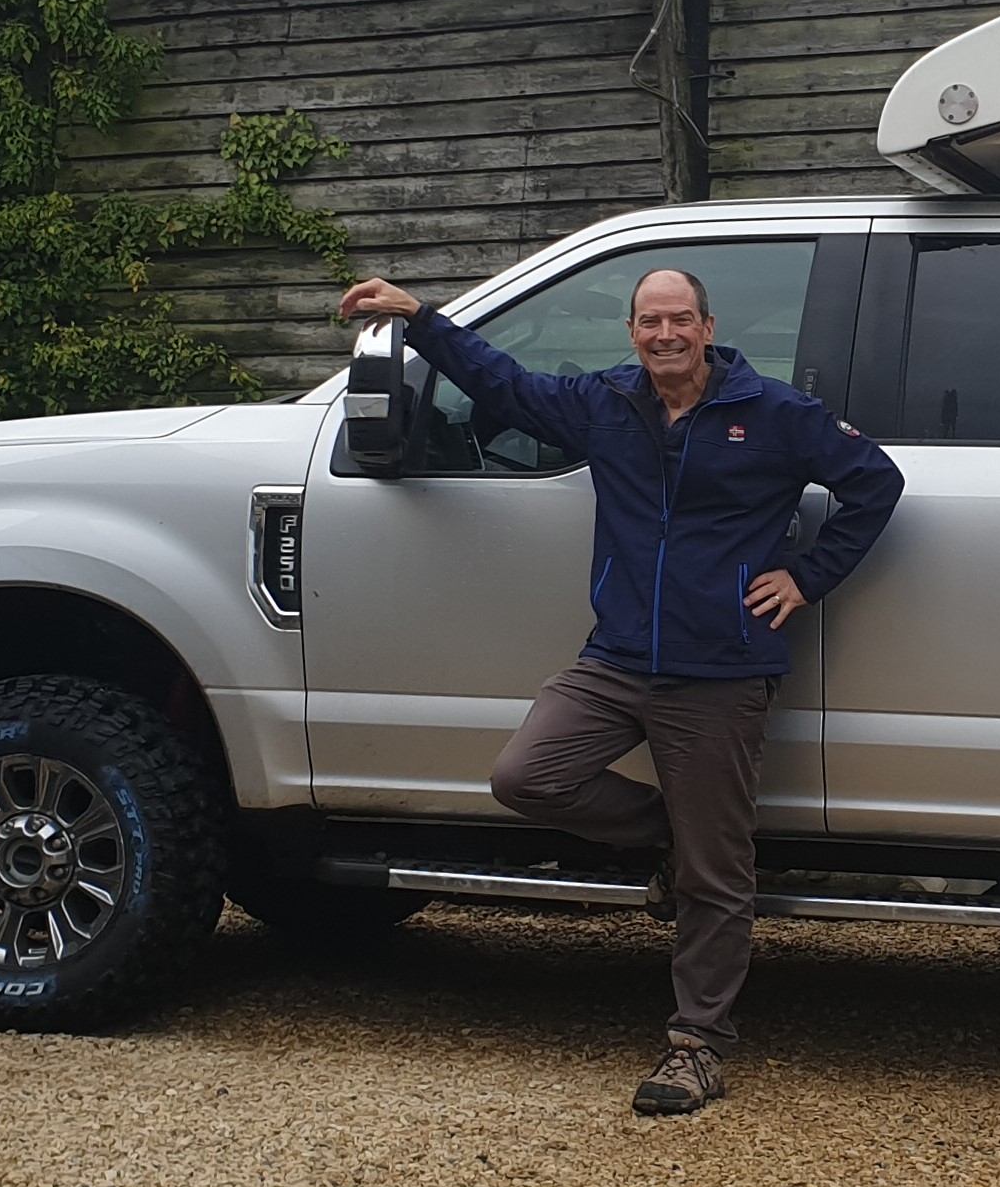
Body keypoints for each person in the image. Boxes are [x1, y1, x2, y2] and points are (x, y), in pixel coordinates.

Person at [333, 266, 903, 1116]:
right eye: (649, 322)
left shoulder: (775, 413)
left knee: (716, 873)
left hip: (719, 669)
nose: (665, 335)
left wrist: (806, 577)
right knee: (527, 776)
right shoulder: (605, 403)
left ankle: (697, 1045)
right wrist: (422, 318)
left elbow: (874, 482)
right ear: (632, 332)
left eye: (680, 320)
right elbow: (506, 384)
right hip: (618, 657)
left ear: (707, 326)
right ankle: (672, 837)